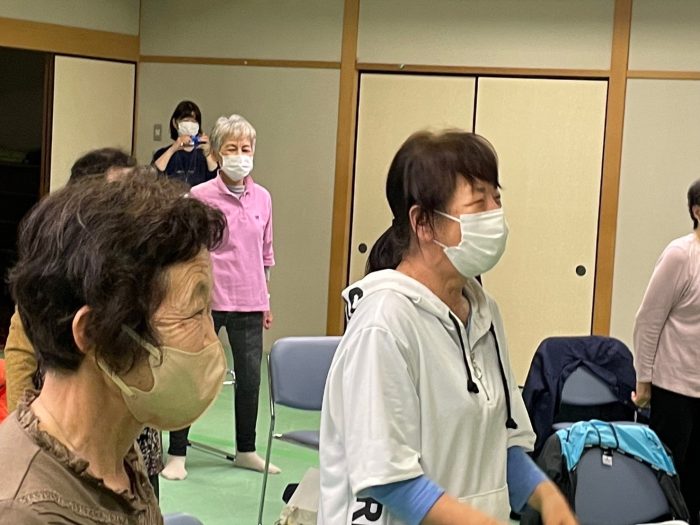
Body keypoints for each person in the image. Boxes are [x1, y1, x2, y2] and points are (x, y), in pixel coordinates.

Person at [318, 131, 577, 525]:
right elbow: (390, 481)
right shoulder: (384, 324)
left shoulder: (483, 312)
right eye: (478, 203)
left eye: (497, 198)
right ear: (423, 222)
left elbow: (501, 444)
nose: (494, 213)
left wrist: (550, 501)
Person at [0, 170, 227, 524]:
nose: (211, 339)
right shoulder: (26, 512)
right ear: (94, 333)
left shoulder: (115, 452)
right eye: (193, 313)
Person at [3, 148, 166, 498]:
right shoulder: (56, 271)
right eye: (118, 195)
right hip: (70, 436)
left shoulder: (142, 262)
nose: (130, 206)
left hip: (134, 439)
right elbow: (19, 354)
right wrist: (26, 435)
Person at [162, 114, 278, 480]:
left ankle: (246, 450)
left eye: (246, 148)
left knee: (250, 380)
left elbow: (266, 254)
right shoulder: (199, 197)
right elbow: (185, 252)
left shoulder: (263, 198)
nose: (240, 155)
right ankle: (176, 453)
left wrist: (266, 300)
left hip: (250, 302)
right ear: (216, 152)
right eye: (232, 148)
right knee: (190, 377)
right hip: (205, 303)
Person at [633, 178, 700, 525]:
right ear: (697, 212)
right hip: (675, 388)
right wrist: (644, 380)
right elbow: (648, 320)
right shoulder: (681, 255)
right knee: (668, 480)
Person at [152, 100, 218, 187]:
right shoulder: (162, 153)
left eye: (194, 121)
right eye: (186, 120)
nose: (190, 125)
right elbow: (152, 177)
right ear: (175, 123)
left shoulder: (204, 155)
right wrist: (172, 149)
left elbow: (216, 180)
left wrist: (208, 153)